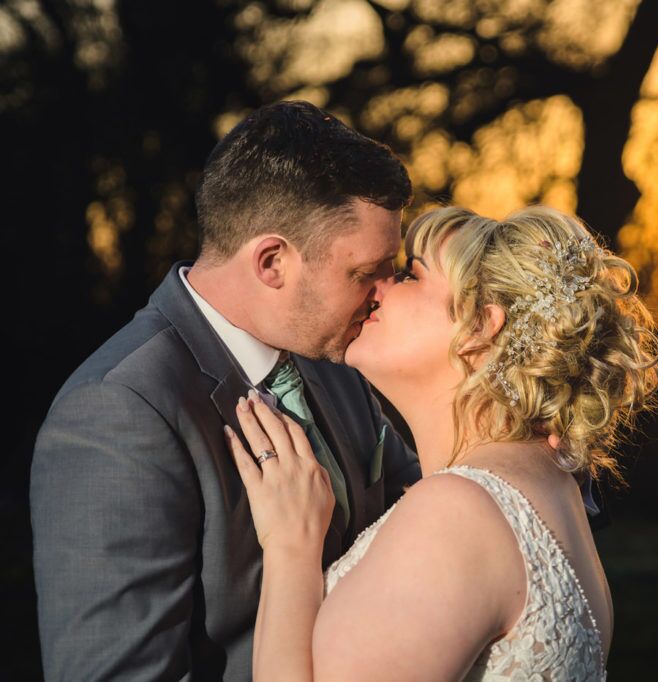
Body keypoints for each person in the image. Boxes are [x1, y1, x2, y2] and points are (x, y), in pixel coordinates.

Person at [30, 101, 423, 680]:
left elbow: (427, 511)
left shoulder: (336, 353)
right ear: (271, 261)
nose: (385, 293)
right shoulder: (118, 413)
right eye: (367, 272)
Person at [224, 205, 658, 680]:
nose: (378, 287)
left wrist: (291, 550)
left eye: (410, 276)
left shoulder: (458, 512)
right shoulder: (554, 488)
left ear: (480, 327)